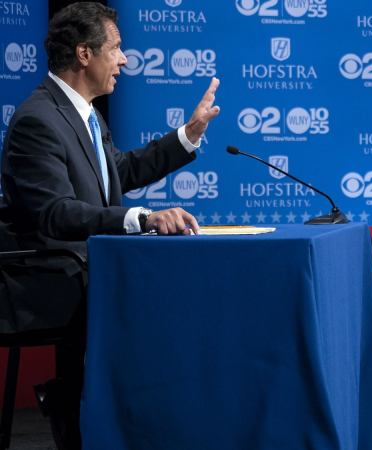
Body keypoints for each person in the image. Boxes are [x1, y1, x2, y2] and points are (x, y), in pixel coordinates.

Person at [0, 3, 220, 449]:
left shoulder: (85, 114)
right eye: (116, 48)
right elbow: (56, 212)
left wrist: (188, 134)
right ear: (84, 54)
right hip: (54, 277)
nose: (124, 59)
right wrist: (141, 218)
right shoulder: (37, 120)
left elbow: (119, 171)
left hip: (90, 267)